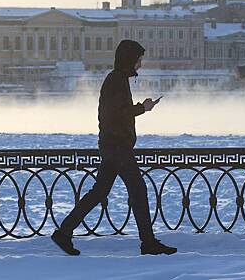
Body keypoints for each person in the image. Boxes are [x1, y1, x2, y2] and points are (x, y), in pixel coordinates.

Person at [51, 39, 177, 256]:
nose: (140, 64)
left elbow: (116, 112)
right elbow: (119, 113)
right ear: (129, 59)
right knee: (138, 191)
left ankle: (64, 233)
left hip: (111, 147)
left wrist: (139, 108)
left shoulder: (116, 79)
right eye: (138, 60)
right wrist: (143, 108)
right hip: (118, 148)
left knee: (99, 192)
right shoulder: (116, 80)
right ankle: (148, 242)